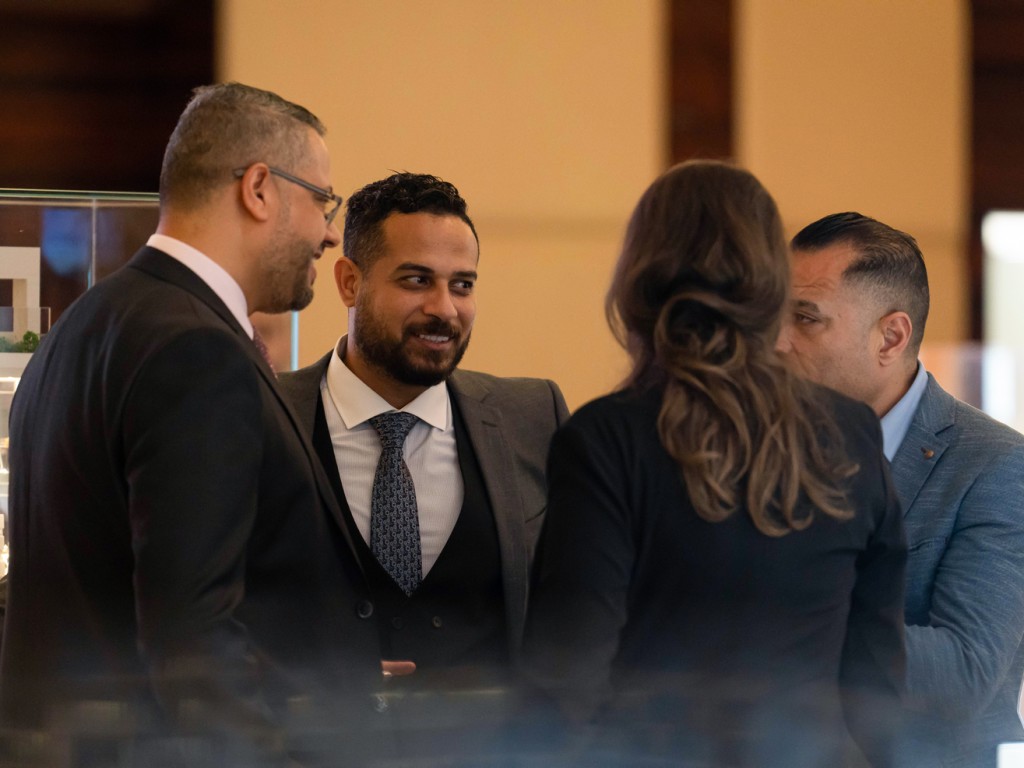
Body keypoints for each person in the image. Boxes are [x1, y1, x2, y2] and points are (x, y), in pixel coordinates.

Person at [0, 82, 382, 766]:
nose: (329, 232)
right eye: (323, 202)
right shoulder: (197, 349)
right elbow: (192, 641)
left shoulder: (83, 326)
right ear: (258, 189)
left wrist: (320, 671)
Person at [523, 160, 906, 767]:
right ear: (771, 283)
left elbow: (565, 682)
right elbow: (877, 680)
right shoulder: (850, 431)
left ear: (637, 277)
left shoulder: (606, 439)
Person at [277, 171, 569, 763]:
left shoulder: (534, 417)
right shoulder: (264, 413)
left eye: (462, 285)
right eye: (417, 281)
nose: (444, 309)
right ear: (349, 282)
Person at [776, 211, 1024, 766]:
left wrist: (767, 618)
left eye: (806, 318)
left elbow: (962, 672)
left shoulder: (997, 465)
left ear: (890, 337)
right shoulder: (762, 450)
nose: (779, 342)